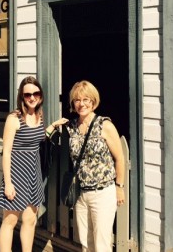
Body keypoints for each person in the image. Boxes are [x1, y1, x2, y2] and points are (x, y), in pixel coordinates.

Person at [0, 76, 68, 252]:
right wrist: (8, 183)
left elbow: (39, 138)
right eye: (27, 94)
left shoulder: (38, 116)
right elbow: (6, 152)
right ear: (22, 96)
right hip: (16, 173)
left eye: (36, 93)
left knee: (30, 219)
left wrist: (53, 125)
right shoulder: (14, 118)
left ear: (40, 96)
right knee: (10, 220)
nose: (32, 97)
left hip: (33, 173)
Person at [65, 80, 125, 252]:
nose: (81, 104)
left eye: (86, 99)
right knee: (85, 241)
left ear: (93, 101)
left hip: (102, 193)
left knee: (102, 243)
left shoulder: (104, 125)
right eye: (77, 100)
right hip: (81, 194)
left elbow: (119, 158)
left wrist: (119, 187)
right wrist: (53, 125)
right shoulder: (72, 126)